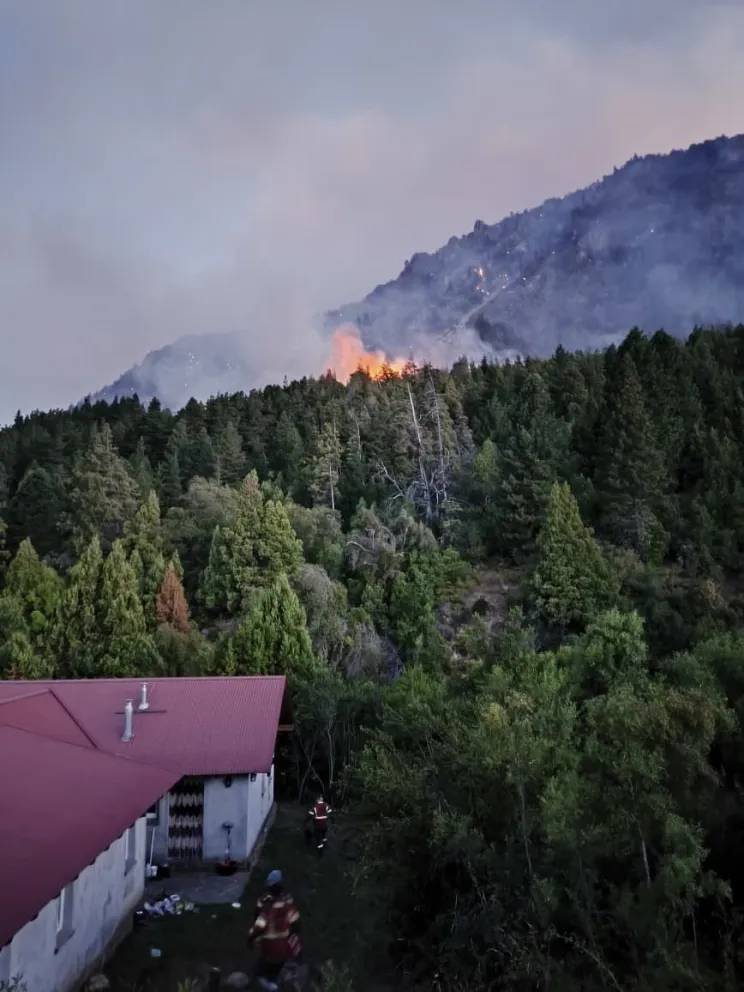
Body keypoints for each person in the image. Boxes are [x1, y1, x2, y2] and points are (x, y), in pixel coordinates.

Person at [248, 869, 301, 992]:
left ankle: (274, 987)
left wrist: (251, 938)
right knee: (274, 972)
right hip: (283, 946)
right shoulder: (286, 901)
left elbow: (258, 920)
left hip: (271, 947)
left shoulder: (268, 904)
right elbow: (296, 924)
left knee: (259, 974)